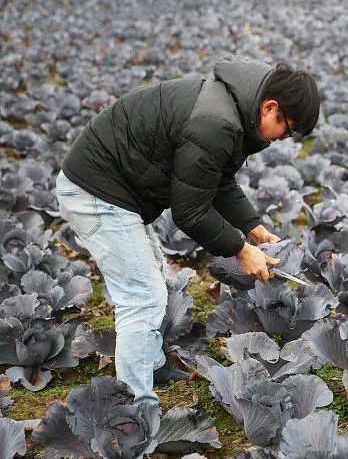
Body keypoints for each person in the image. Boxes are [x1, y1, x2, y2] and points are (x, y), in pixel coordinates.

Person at [54, 56, 321, 405]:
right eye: (287, 130)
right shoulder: (216, 123)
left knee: (156, 278)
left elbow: (217, 180)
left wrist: (254, 229)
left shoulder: (234, 110)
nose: (283, 138)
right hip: (95, 191)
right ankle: (135, 407)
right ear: (270, 107)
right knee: (142, 295)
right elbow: (190, 212)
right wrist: (242, 250)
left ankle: (151, 365)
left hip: (117, 189)